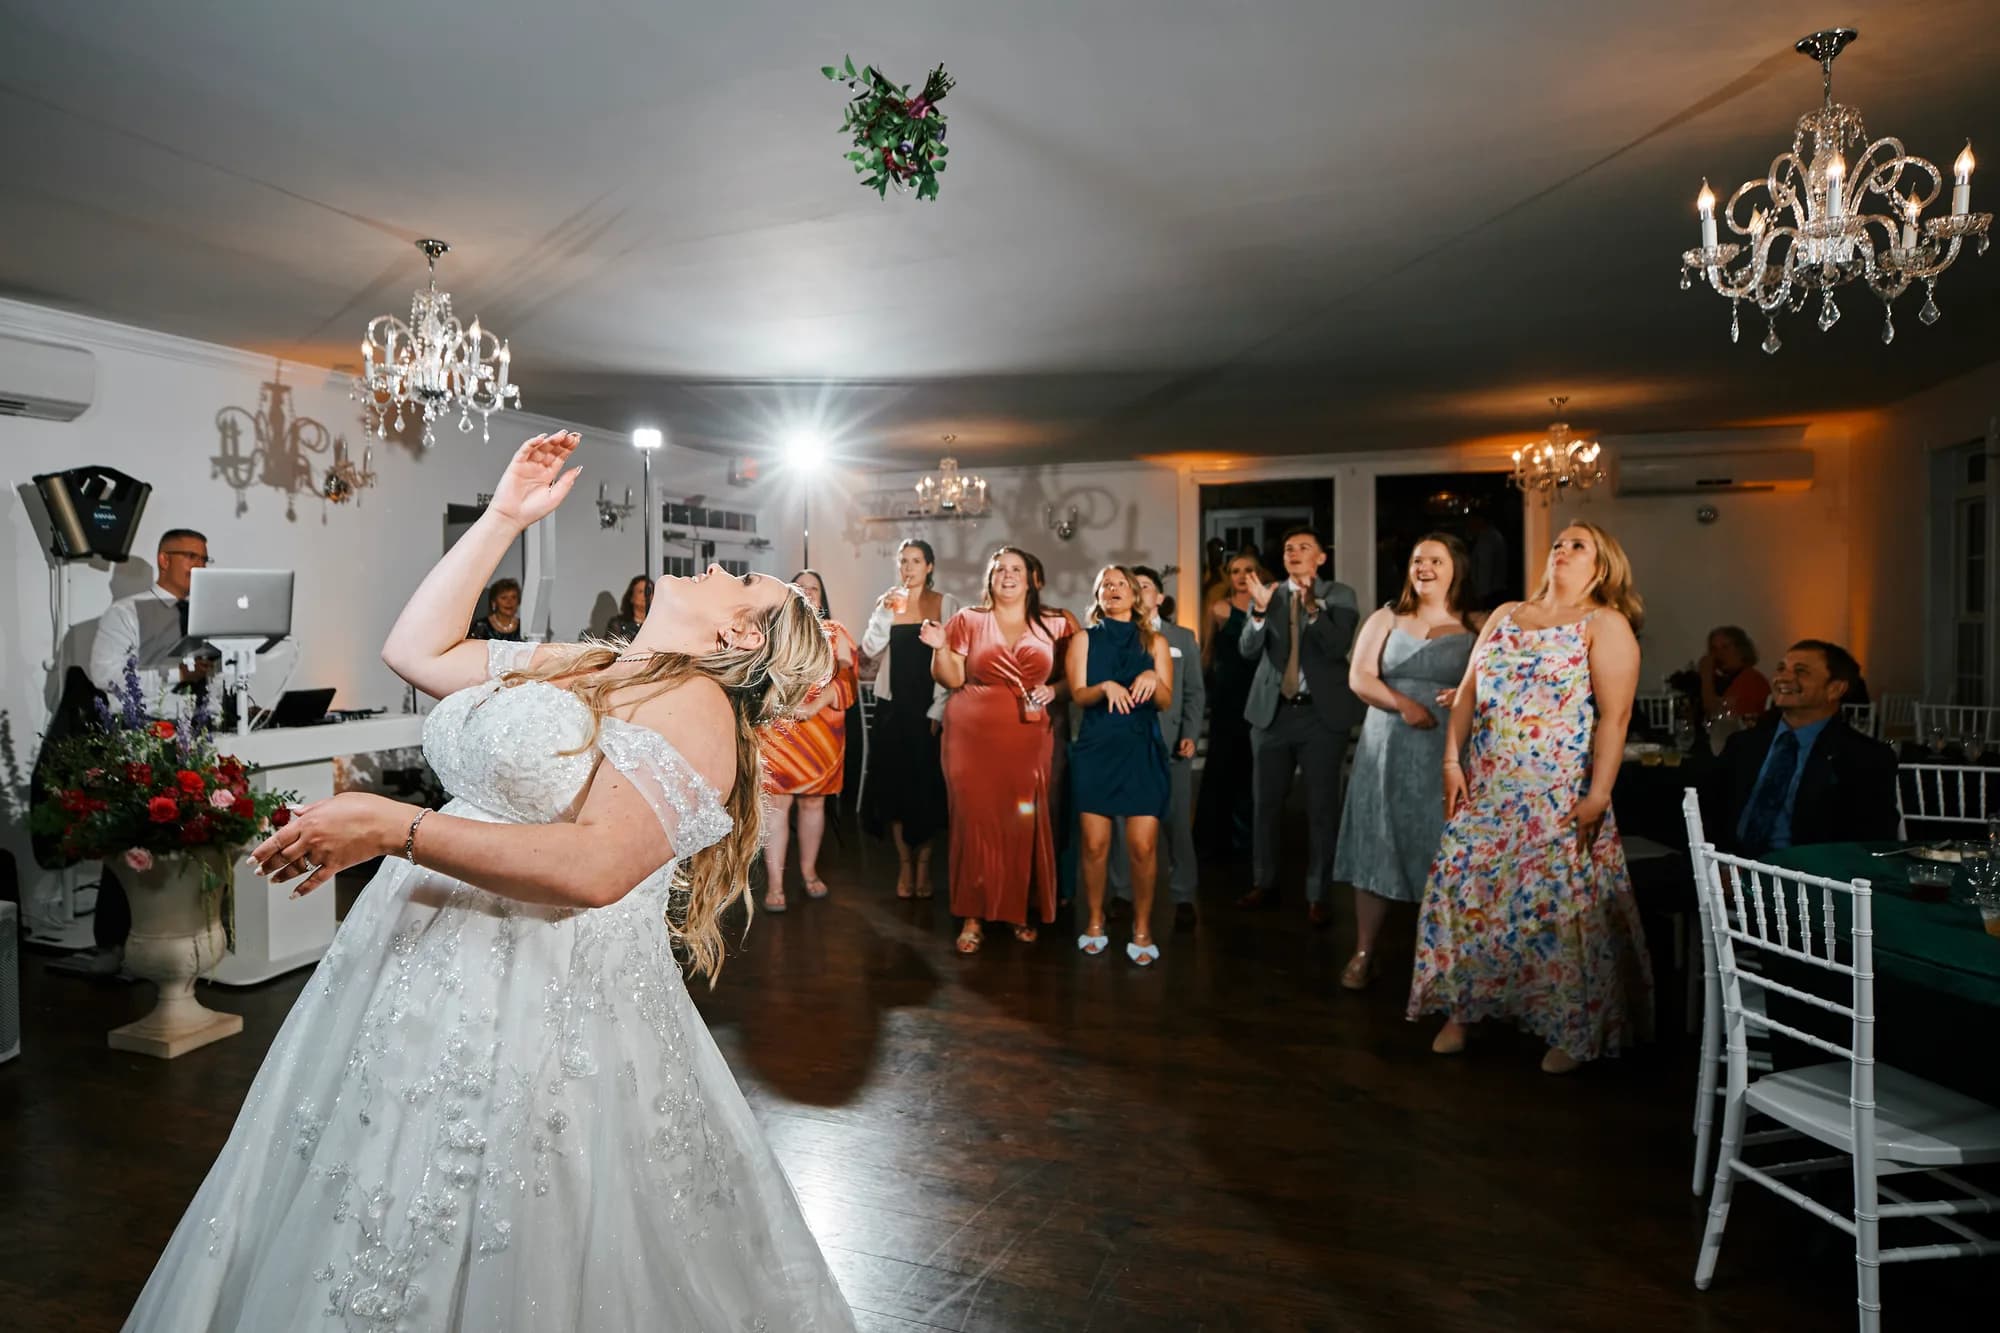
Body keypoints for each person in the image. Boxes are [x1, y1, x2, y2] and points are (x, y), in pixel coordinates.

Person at [125, 433, 855, 1331]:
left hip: (538, 989)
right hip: (414, 966)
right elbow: (417, 650)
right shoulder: (588, 661)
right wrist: (503, 517)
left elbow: (592, 868)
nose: (713, 565)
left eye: (739, 581)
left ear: (739, 634)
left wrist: (396, 827)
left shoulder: (696, 707)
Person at [1407, 522, 1654, 1075]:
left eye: (1578, 545)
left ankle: (1570, 1023)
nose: (1562, 551)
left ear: (1602, 565)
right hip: (1488, 788)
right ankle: (1463, 1010)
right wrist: (1452, 761)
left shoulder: (1606, 624)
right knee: (1468, 897)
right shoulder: (1505, 614)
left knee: (1556, 911)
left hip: (1555, 795)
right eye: (1559, 543)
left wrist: (1598, 795)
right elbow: (1468, 691)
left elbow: (1615, 720)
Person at [1332, 535, 1480, 989]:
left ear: (1456, 568)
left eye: (1436, 560)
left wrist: (1466, 695)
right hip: (1387, 745)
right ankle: (1364, 950)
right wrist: (1403, 704)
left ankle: (1439, 956)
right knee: (1378, 839)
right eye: (1418, 559)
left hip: (1447, 751)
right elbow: (1359, 676)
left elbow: (1491, 680)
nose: (1425, 567)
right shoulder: (1387, 616)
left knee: (1440, 845)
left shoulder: (1475, 625)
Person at [924, 547, 1072, 955]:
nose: (1008, 575)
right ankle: (972, 914)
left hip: (1028, 734)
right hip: (970, 732)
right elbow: (952, 677)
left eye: (1016, 569)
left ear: (1032, 578)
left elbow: (1076, 680)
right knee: (974, 819)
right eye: (1000, 569)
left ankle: (1019, 909)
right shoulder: (968, 619)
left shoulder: (1058, 624)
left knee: (1022, 817)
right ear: (990, 579)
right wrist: (939, 646)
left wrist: (1056, 689)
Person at [1237, 529, 1363, 925]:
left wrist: (1312, 608)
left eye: (1303, 547)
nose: (1293, 553)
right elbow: (1248, 650)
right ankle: (1265, 882)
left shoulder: (1339, 594)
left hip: (1320, 717)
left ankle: (1317, 893)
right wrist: (1257, 613)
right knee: (1265, 805)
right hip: (1272, 714)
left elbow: (1337, 644)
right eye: (1288, 547)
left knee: (1322, 808)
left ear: (1321, 558)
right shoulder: (1268, 593)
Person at [1705, 640, 1899, 855]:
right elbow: (1710, 812)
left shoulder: (1865, 757)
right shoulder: (1744, 744)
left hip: (1806, 878)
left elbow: (1871, 842)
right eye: (1781, 669)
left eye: (1801, 671)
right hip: (1727, 869)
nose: (1783, 678)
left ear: (1835, 689)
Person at [1070, 566, 1175, 965]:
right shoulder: (1083, 640)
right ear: (1098, 596)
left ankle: (1142, 927)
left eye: (1120, 584)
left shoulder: (1156, 642)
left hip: (1140, 749)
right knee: (1095, 845)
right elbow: (1079, 694)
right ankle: (1095, 919)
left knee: (1142, 846)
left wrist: (1151, 674)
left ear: (1135, 595)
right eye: (1104, 585)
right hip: (1096, 749)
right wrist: (1104, 687)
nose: (1112, 589)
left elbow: (1164, 701)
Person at [1107, 566, 1204, 934]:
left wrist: (1190, 734)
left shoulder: (1182, 638)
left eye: (1144, 587)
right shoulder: (1116, 637)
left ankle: (1182, 896)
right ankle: (1121, 892)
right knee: (1121, 823)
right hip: (1124, 745)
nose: (1138, 592)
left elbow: (1194, 693)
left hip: (1169, 744)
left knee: (1176, 822)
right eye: (1133, 587)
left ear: (1159, 597)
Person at [859, 539, 958, 898]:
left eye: (916, 561)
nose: (908, 567)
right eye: (903, 561)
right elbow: (869, 649)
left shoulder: (945, 603)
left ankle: (924, 867)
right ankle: (904, 865)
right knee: (897, 790)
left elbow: (954, 658)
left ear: (929, 566)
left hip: (927, 709)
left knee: (926, 791)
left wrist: (938, 710)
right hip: (893, 708)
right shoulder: (889, 602)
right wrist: (884, 612)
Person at [759, 570, 859, 911]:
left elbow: (847, 674)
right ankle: (774, 884)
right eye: (800, 588)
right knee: (778, 805)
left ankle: (809, 871)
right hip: (780, 728)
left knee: (814, 803)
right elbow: (757, 674)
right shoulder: (773, 630)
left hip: (821, 727)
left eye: (814, 588)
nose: (807, 593)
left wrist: (816, 702)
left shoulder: (836, 631)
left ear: (822, 596)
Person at [1193, 548, 1263, 859]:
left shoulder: (1268, 606)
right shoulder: (1219, 608)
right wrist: (1198, 691)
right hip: (1227, 692)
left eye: (1248, 570)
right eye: (1235, 571)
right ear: (1229, 576)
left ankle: (1249, 840)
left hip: (1258, 690)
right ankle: (1215, 841)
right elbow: (1208, 652)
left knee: (1252, 765)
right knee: (1223, 763)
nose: (1242, 576)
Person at [1698, 625, 1770, 724]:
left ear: (1741, 650)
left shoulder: (1751, 680)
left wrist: (1706, 676)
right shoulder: (1723, 680)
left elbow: (1719, 719)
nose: (1719, 654)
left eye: (1725, 647)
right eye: (1714, 649)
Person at [605, 573, 652, 640]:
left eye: (648, 591)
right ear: (631, 597)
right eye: (640, 591)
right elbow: (611, 647)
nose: (645, 595)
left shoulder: (660, 623)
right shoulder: (618, 624)